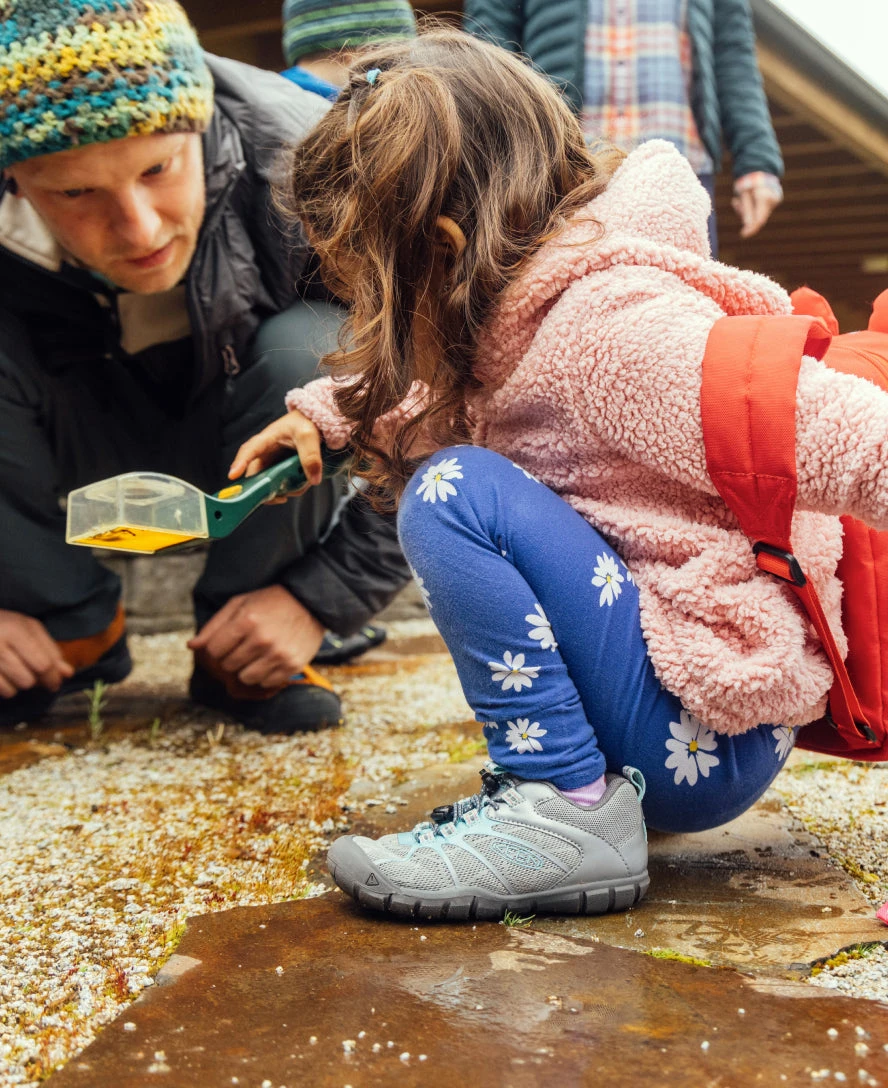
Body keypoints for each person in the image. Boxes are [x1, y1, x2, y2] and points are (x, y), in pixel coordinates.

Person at [230, 29, 888, 921]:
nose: (362, 309)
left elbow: (843, 438)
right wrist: (324, 413)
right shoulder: (526, 315)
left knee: (456, 492)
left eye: (366, 287)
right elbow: (448, 385)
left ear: (443, 246)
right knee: (464, 477)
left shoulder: (611, 330)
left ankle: (564, 810)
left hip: (704, 727)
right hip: (680, 717)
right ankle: (572, 795)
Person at [0, 0, 410, 734]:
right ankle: (67, 626)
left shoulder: (313, 163)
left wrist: (319, 598)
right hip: (63, 445)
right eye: (75, 193)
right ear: (14, 181)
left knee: (321, 346)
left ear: (200, 124)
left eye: (159, 169)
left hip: (259, 446)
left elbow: (463, 413)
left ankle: (242, 647)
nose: (140, 228)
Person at [463, 0, 784, 256]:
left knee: (684, 310)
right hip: (563, 169)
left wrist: (757, 159)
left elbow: (732, 49)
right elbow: (489, 38)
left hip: (681, 170)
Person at [280, 0, 417, 99]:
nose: (402, 72)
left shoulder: (270, 103)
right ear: (350, 54)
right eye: (392, 60)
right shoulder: (347, 113)